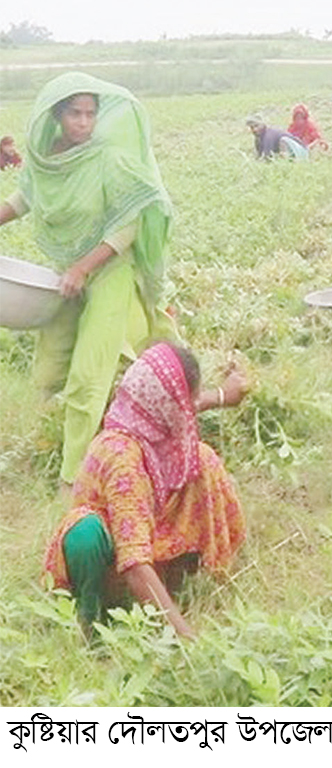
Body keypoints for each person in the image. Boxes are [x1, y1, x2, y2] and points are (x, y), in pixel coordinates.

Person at [0, 72, 175, 484]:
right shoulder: (47, 161)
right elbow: (23, 199)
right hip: (67, 274)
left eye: (90, 114)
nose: (83, 122)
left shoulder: (107, 159)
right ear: (56, 117)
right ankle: (58, 440)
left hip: (108, 270)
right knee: (49, 370)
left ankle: (75, 477)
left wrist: (84, 267)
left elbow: (131, 222)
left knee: (87, 375)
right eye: (74, 114)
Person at [43, 342, 249, 639]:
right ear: (169, 409)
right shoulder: (123, 457)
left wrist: (221, 396)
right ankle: (91, 622)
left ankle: (184, 580)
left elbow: (184, 406)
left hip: (146, 538)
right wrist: (187, 639)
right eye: (187, 404)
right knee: (85, 534)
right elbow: (134, 564)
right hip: (111, 560)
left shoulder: (144, 415)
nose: (189, 412)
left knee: (202, 460)